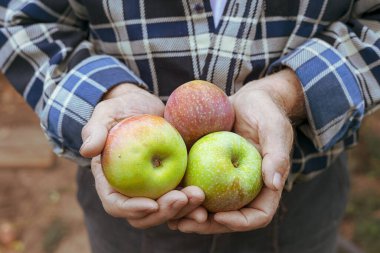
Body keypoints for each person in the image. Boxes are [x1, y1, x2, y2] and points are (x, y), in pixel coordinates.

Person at [1, 0, 379, 252]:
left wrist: (288, 94)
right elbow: (20, 18)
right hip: (132, 205)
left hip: (298, 197)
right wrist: (108, 94)